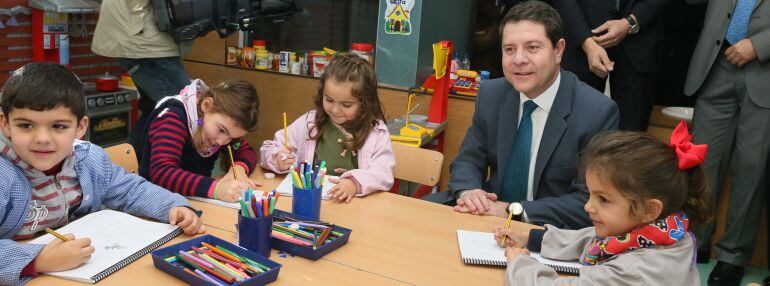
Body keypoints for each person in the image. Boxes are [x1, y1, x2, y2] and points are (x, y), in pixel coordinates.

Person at [0, 63, 205, 285]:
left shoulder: (89, 160)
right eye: (26, 125)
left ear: (80, 127)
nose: (42, 138)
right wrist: (37, 260)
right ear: (6, 124)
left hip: (86, 270)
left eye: (58, 126)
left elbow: (130, 190)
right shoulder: (4, 176)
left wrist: (173, 206)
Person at [443, 0, 619, 229]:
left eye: (532, 47)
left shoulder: (597, 112)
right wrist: (470, 191)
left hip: (547, 231)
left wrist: (511, 211)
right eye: (510, 49)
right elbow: (468, 159)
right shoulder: (491, 94)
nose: (518, 60)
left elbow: (589, 202)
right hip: (487, 218)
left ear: (558, 50)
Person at [495, 123, 710, 285]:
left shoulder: (637, 271)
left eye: (603, 199)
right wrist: (532, 238)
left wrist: (520, 265)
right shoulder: (666, 232)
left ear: (649, 209)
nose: (588, 207)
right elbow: (592, 238)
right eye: (590, 195)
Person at [682, 0, 770, 285]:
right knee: (703, 162)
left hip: (764, 71)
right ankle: (696, 242)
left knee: (751, 168)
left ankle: (733, 257)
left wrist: (760, 43)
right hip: (715, 63)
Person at [260, 54, 395, 203]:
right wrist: (277, 158)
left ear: (365, 103)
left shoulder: (375, 133)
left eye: (346, 105)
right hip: (311, 201)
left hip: (352, 206)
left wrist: (354, 183)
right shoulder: (310, 122)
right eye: (329, 100)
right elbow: (269, 147)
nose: (335, 110)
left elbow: (383, 174)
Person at [135, 79, 261, 203]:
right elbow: (163, 172)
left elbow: (246, 150)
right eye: (222, 130)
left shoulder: (219, 127)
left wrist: (239, 169)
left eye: (232, 138)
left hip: (191, 200)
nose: (223, 142)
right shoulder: (173, 118)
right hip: (155, 200)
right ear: (206, 105)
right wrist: (216, 189)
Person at [552, 0, 669, 131]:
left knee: (631, 140)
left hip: (639, 45)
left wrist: (630, 22)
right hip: (579, 40)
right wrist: (586, 41)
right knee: (574, 132)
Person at [92, 0, 192, 149]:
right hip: (144, 38)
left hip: (144, 34)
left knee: (153, 110)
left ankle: (128, 165)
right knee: (188, 110)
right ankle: (167, 167)